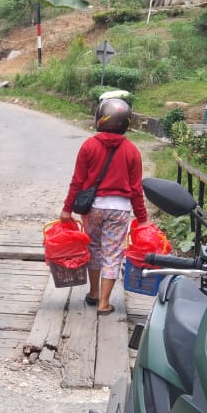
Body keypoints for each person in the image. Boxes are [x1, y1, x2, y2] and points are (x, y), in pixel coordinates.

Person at [60, 97, 149, 315]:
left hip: (93, 207)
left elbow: (78, 181)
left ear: (101, 118)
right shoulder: (132, 151)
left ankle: (93, 294)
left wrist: (67, 209)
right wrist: (143, 218)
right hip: (120, 209)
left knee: (94, 249)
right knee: (113, 253)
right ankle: (104, 303)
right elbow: (137, 189)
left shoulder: (89, 146)